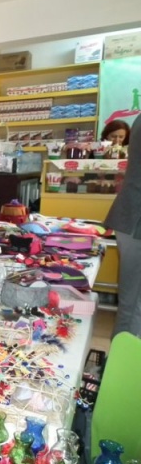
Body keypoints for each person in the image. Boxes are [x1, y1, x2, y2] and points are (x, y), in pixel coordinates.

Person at [104, 115, 141, 338]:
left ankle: (119, 356)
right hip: (135, 220)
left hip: (131, 215)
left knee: (130, 302)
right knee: (135, 307)